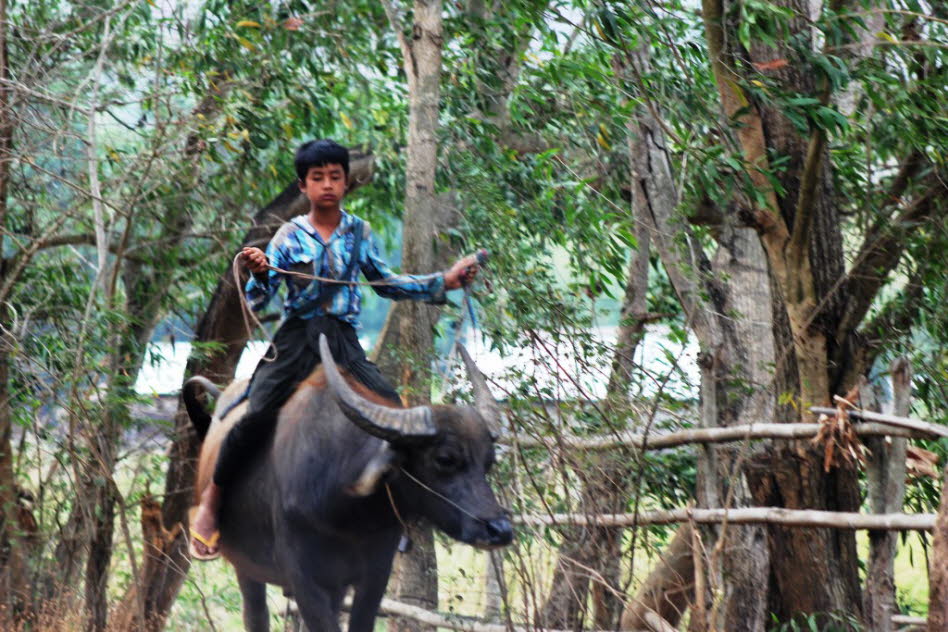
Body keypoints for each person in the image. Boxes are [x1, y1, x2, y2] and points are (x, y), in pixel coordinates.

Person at [189, 139, 479, 560]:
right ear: (304, 186)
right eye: (317, 178)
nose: (327, 185)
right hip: (295, 339)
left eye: (335, 177)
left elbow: (385, 282)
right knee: (255, 414)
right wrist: (258, 271)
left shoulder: (360, 232)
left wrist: (444, 282)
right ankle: (212, 506)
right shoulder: (288, 235)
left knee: (394, 412)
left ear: (346, 182)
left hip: (343, 340)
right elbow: (259, 298)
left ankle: (391, 512)